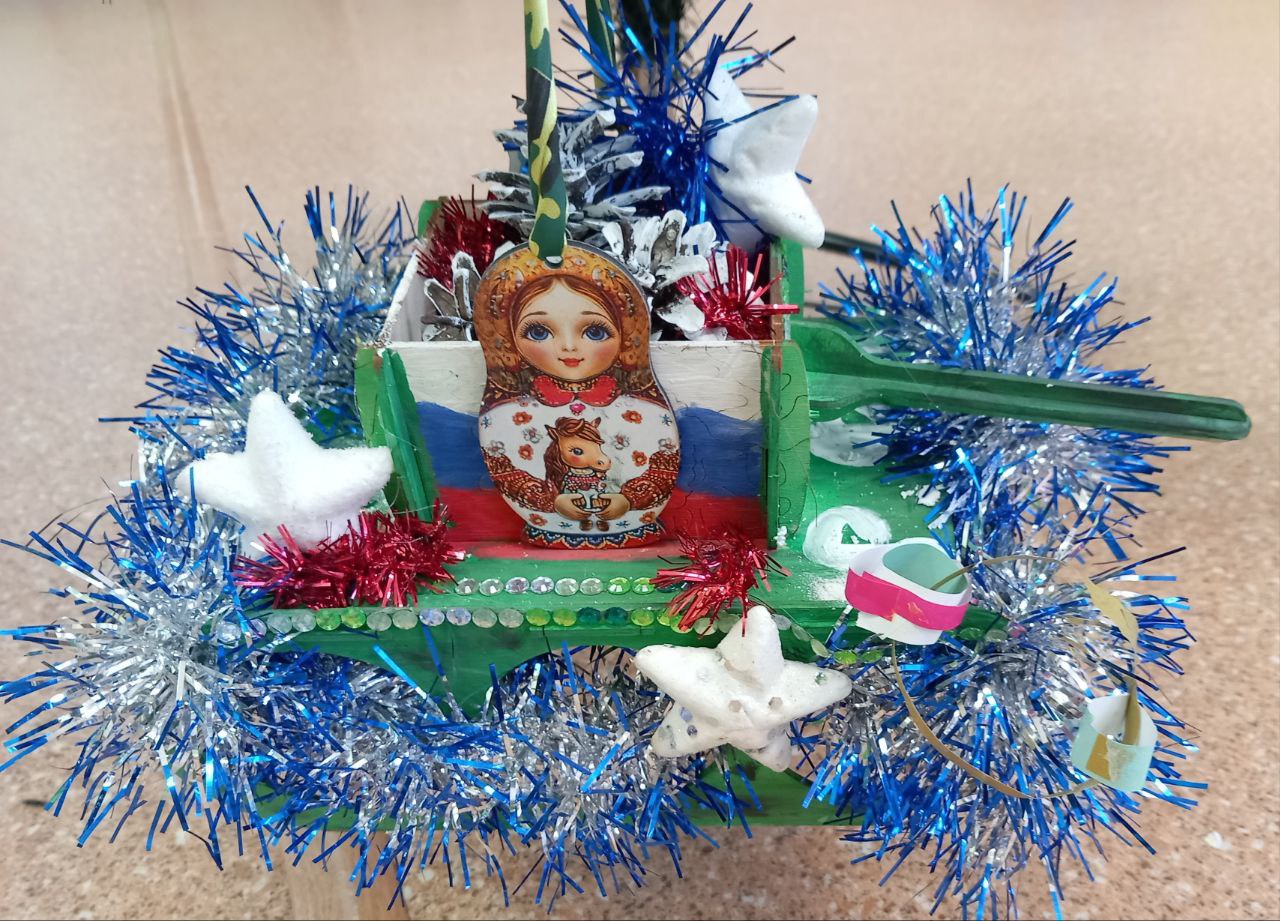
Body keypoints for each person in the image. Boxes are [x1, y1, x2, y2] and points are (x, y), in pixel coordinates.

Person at [474, 244, 680, 549]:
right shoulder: (506, 414)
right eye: (539, 332)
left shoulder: (643, 409)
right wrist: (552, 502)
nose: (569, 347)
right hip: (547, 523)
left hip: (633, 524)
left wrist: (628, 499)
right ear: (507, 336)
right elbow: (506, 470)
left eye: (594, 331)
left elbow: (663, 462)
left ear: (626, 331)